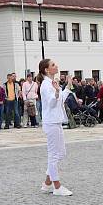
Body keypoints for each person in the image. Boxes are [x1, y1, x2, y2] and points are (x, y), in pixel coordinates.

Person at [38, 59, 73, 196]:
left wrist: (67, 87)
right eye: (53, 65)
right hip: (51, 122)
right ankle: (57, 186)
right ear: (46, 70)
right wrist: (57, 92)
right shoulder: (45, 85)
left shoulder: (52, 83)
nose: (56, 65)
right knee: (53, 154)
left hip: (56, 121)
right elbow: (52, 103)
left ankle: (47, 183)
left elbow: (60, 100)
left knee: (61, 153)